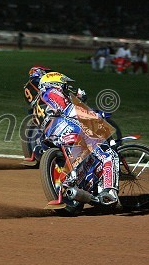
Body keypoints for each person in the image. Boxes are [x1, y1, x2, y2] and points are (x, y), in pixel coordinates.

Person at [38, 72, 119, 205]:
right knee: (108, 155)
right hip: (65, 126)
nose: (66, 88)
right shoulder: (52, 92)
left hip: (51, 135)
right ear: (56, 84)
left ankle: (83, 188)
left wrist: (80, 98)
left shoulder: (41, 98)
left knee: (87, 158)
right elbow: (71, 110)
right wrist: (96, 114)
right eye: (65, 85)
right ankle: (110, 192)